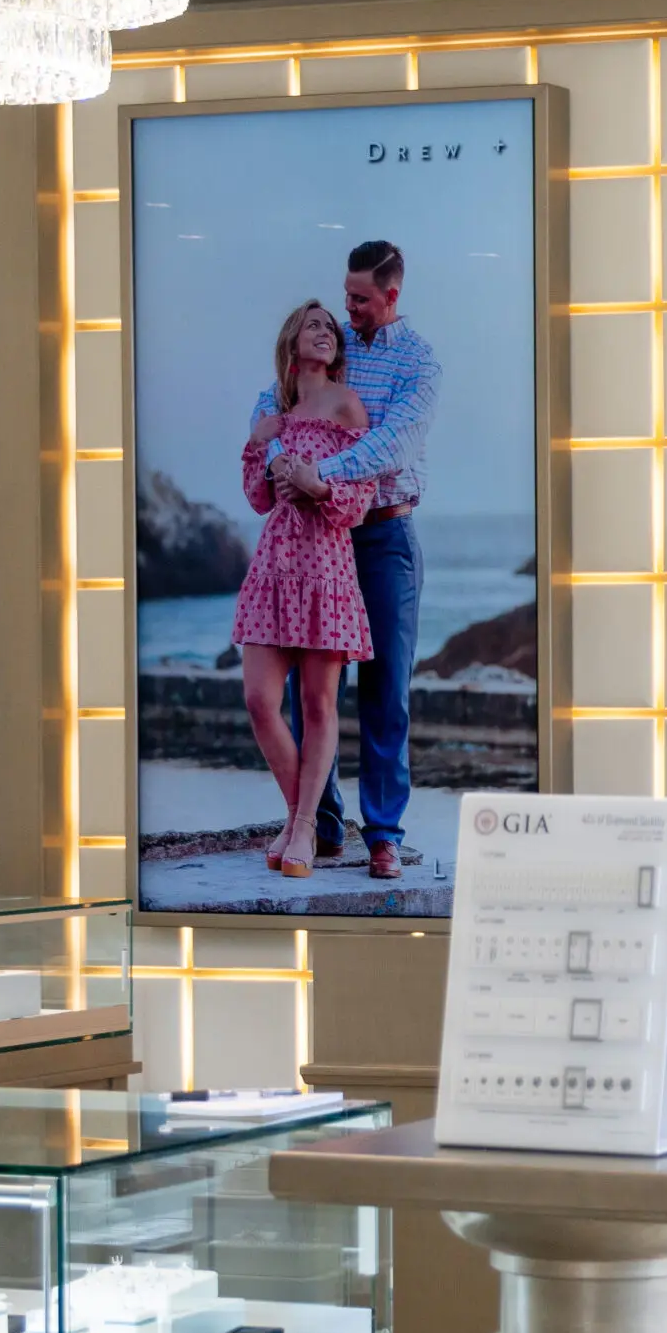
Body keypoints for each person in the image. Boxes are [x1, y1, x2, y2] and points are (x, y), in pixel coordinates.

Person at [256, 239, 441, 881]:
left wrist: (320, 474)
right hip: (317, 540)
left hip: (384, 536)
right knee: (312, 691)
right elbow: (275, 402)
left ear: (391, 295)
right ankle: (321, 823)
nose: (348, 308)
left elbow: (393, 445)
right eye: (346, 295)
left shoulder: (418, 362)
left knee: (386, 688)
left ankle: (383, 834)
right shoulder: (331, 343)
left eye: (360, 299)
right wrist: (280, 459)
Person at [232, 301, 377, 877]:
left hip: (326, 566)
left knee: (318, 704)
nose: (325, 332)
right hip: (275, 565)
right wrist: (257, 443)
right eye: (313, 324)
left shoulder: (347, 405)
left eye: (330, 328)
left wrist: (316, 487)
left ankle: (301, 828)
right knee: (259, 701)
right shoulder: (276, 412)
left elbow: (359, 499)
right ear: (292, 341)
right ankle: (303, 818)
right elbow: (258, 498)